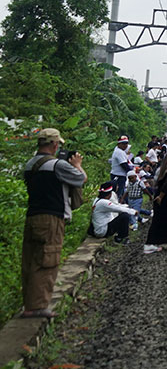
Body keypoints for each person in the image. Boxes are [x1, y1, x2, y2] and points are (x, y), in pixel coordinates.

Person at [21, 128, 87, 318]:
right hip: (51, 217)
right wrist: (78, 164)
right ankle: (38, 306)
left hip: (33, 216)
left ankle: (29, 303)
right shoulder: (57, 165)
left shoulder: (30, 164)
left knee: (31, 260)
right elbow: (80, 179)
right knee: (47, 260)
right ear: (54, 145)